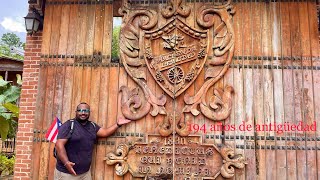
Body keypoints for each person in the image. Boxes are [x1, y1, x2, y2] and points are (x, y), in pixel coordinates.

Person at [54, 102, 131, 180]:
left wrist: (118, 124)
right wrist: (66, 163)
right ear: (76, 112)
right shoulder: (69, 125)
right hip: (67, 174)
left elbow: (105, 132)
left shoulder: (92, 126)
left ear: (89, 112)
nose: (83, 113)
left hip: (85, 173)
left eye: (86, 111)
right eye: (80, 110)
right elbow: (59, 145)